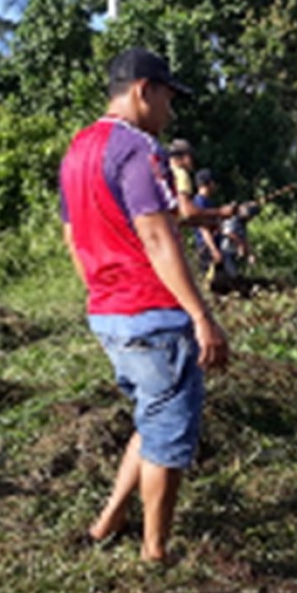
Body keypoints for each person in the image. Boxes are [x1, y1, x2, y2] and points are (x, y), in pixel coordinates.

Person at [59, 48, 229, 563]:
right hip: (151, 312)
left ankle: (110, 517)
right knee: (170, 436)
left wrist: (101, 292)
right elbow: (158, 239)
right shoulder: (139, 149)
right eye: (168, 98)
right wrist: (202, 316)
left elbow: (72, 237)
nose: (170, 112)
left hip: (107, 311)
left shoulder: (78, 149)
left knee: (151, 415)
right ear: (143, 90)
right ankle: (155, 550)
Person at [167, 138, 235, 225]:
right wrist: (220, 212)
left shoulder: (163, 172)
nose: (193, 161)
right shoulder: (181, 174)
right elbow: (188, 212)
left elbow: (180, 218)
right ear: (185, 157)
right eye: (191, 156)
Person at [191, 170, 236, 285]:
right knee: (211, 282)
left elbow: (213, 225)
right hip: (207, 248)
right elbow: (203, 228)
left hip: (212, 246)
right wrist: (214, 250)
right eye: (214, 183)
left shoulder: (207, 202)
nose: (215, 186)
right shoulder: (199, 202)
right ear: (209, 183)